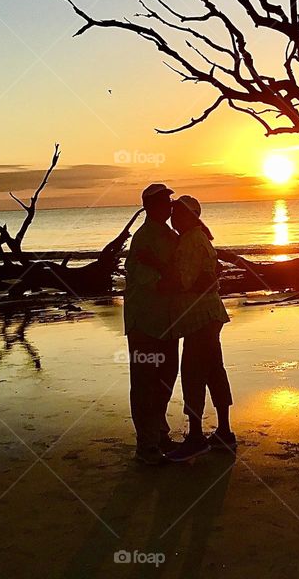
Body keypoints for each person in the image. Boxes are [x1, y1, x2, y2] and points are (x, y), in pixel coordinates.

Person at [164, 195, 235, 462]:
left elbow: (183, 281)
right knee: (214, 369)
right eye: (173, 213)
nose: (174, 218)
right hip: (208, 314)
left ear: (192, 216)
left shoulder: (192, 240)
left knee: (193, 372)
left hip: (200, 317)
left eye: (180, 213)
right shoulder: (196, 238)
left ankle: (196, 437)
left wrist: (155, 268)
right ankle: (224, 432)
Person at [123, 183, 180, 464]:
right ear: (150, 206)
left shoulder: (168, 235)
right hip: (145, 322)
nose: (169, 206)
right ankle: (146, 443)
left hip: (166, 321)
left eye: (169, 201)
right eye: (164, 202)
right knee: (145, 381)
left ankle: (158, 432)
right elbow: (154, 284)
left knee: (167, 376)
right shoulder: (144, 237)